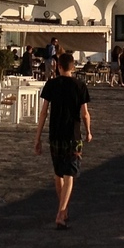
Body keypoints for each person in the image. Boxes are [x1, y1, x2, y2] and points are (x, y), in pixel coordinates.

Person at [34, 51, 92, 229]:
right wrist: (89, 132)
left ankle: (62, 209)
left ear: (58, 66)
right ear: (73, 67)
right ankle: (61, 212)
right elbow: (84, 114)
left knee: (58, 173)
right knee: (70, 175)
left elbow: (43, 112)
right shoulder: (80, 85)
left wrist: (37, 138)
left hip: (55, 135)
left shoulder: (51, 84)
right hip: (73, 136)